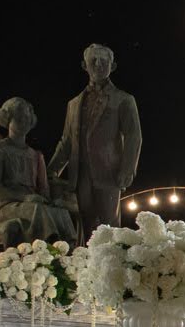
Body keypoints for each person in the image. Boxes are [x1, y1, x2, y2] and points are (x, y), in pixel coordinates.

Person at [50, 43, 143, 236]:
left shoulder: (123, 100)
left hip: (109, 173)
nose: (98, 64)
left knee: (110, 228)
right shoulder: (74, 104)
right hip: (80, 175)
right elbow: (66, 141)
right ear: (84, 65)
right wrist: (52, 170)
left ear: (112, 66)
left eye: (104, 61)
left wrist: (127, 170)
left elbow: (133, 136)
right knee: (87, 228)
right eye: (93, 60)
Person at [0, 98, 78, 243]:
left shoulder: (35, 155)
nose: (24, 121)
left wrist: (52, 202)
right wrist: (25, 198)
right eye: (19, 117)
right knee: (38, 210)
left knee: (61, 211)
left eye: (28, 117)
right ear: (7, 119)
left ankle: (68, 250)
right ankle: (48, 249)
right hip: (6, 205)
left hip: (33, 204)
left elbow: (43, 189)